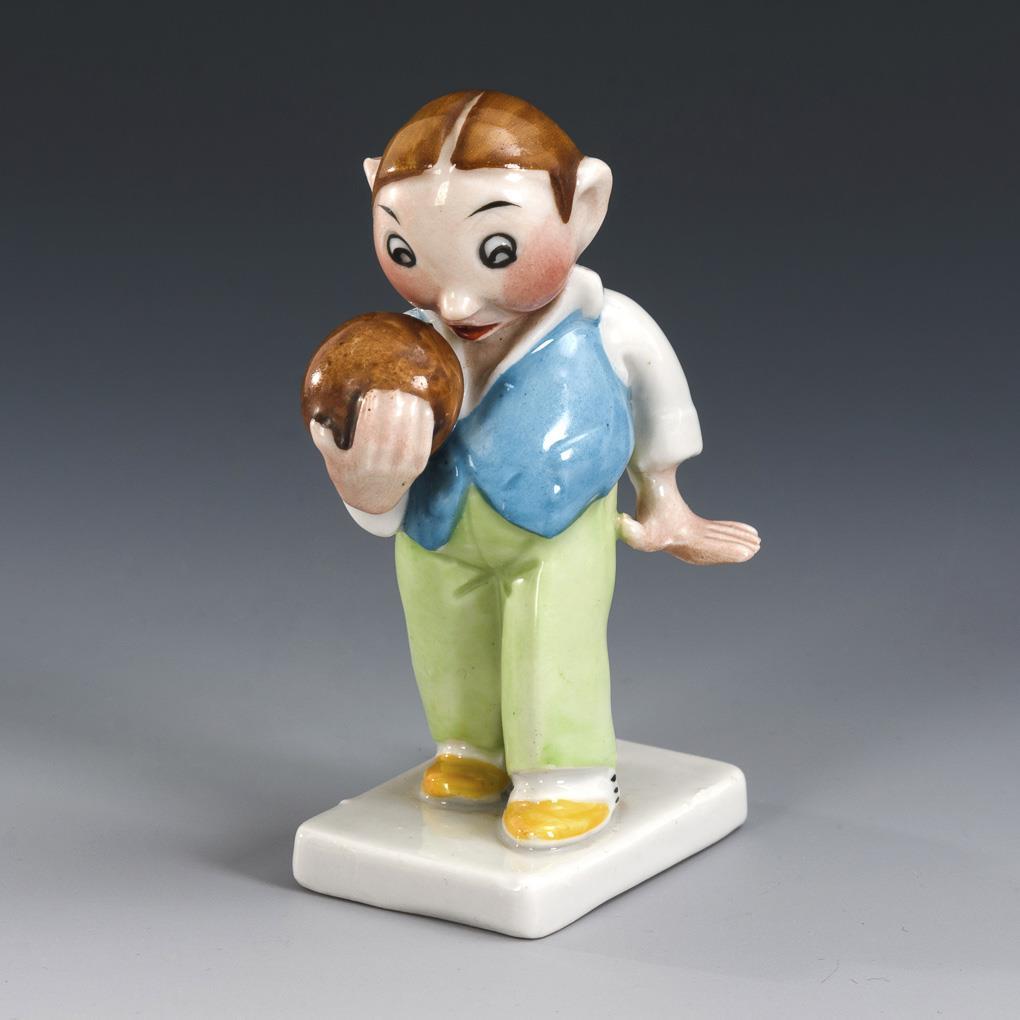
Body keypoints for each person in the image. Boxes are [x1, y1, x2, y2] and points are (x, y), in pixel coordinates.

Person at [310, 91, 761, 848]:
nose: (456, 298)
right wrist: (366, 484)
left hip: (561, 526)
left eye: (497, 251)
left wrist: (665, 500)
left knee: (554, 636)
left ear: (584, 208)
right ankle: (471, 749)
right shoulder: (395, 353)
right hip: (436, 528)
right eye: (405, 253)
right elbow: (361, 466)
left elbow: (660, 401)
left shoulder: (608, 324)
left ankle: (567, 774)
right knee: (444, 637)